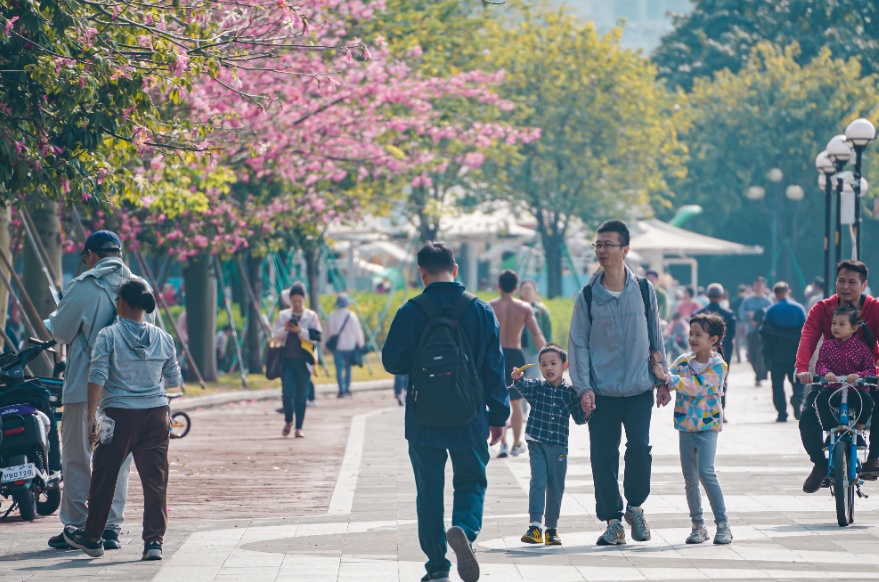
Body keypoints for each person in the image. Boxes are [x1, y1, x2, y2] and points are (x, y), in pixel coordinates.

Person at [382, 241, 509, 582]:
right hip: (470, 416)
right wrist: (498, 417)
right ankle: (465, 529)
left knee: (429, 491)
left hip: (423, 418)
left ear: (420, 273)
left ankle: (437, 565)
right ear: (455, 270)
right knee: (471, 481)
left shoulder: (411, 310)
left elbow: (391, 361)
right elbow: (494, 368)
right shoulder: (480, 310)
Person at [61, 278, 181, 560]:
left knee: (104, 475)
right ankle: (153, 543)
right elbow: (174, 380)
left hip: (118, 417)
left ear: (123, 303)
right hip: (156, 415)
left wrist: (91, 417)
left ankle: (92, 538)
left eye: (117, 300)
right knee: (155, 481)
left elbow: (97, 376)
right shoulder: (164, 338)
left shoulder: (108, 336)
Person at [47, 230, 151, 551]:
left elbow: (61, 333)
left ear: (90, 255)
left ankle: (76, 525)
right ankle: (109, 527)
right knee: (117, 460)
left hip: (82, 385)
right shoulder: (139, 287)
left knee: (78, 455)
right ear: (118, 253)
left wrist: (62, 311)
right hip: (124, 390)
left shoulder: (84, 285)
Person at [568, 220, 669, 547]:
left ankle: (635, 508)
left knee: (639, 448)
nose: (601, 250)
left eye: (607, 244)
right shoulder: (587, 296)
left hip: (639, 387)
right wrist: (583, 387)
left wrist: (662, 378)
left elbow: (656, 335)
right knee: (603, 456)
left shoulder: (643, 289)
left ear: (625, 250)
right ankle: (613, 521)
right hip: (601, 392)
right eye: (598, 244)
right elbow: (578, 343)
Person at [796, 260, 879, 491]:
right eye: (841, 280)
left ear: (863, 285)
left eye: (852, 282)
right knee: (807, 418)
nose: (845, 286)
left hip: (866, 379)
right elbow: (808, 337)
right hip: (830, 380)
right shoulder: (822, 308)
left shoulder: (875, 308)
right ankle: (820, 464)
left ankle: (874, 458)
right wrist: (802, 368)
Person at [653, 313, 732, 545]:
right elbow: (669, 377)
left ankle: (723, 524)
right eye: (691, 333)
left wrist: (667, 379)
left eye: (699, 334)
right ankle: (698, 526)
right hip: (685, 427)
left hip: (707, 428)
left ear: (714, 339)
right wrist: (662, 380)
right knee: (690, 478)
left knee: (706, 472)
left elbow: (695, 386)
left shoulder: (718, 365)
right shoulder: (683, 361)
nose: (693, 338)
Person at [511, 344, 589, 547]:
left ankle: (551, 529)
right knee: (538, 481)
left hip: (558, 446)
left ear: (565, 366)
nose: (548, 368)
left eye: (553, 363)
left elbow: (579, 419)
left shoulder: (570, 393)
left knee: (555, 486)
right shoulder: (537, 386)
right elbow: (523, 387)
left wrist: (587, 409)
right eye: (543, 364)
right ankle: (534, 526)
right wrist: (517, 378)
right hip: (536, 442)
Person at [489, 270, 546, 458]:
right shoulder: (524, 308)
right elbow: (536, 334)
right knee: (516, 403)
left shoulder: (489, 307)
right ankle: (515, 444)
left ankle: (502, 444)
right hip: (515, 356)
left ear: (498, 286)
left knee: (498, 400)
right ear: (516, 288)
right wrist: (549, 357)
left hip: (496, 356)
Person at [813, 305, 875, 433]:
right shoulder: (827, 346)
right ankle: (829, 431)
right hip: (833, 388)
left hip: (855, 389)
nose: (836, 327)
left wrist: (858, 375)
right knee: (821, 399)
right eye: (834, 323)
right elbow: (820, 365)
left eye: (841, 324)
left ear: (854, 328)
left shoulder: (862, 348)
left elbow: (870, 370)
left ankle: (858, 430)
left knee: (867, 401)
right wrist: (827, 373)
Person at [271, 282, 322, 438]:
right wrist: (285, 329)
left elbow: (317, 337)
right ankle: (288, 420)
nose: (297, 304)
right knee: (287, 393)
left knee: (301, 395)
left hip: (304, 361)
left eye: (300, 301)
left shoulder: (311, 316)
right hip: (287, 360)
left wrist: (301, 331)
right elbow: (275, 336)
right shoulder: (283, 315)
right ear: (290, 301)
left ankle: (298, 427)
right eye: (294, 302)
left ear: (304, 300)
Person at [760, 282, 807, 422]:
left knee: (777, 384)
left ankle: (782, 413)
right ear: (789, 292)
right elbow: (805, 329)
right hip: (795, 352)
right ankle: (797, 399)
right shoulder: (799, 308)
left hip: (776, 353)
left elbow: (764, 331)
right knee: (798, 380)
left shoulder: (771, 310)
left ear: (775, 294)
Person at [694, 284, 736, 412]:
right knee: (721, 381)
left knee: (699, 379)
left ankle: (701, 409)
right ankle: (719, 410)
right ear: (722, 296)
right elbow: (731, 335)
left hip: (701, 353)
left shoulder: (698, 314)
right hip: (722, 352)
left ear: (707, 296)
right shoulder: (728, 314)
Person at [326, 294, 365, 398]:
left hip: (337, 347)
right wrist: (360, 343)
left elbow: (328, 332)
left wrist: (324, 346)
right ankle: (347, 388)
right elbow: (358, 331)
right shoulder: (352, 316)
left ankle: (341, 390)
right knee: (348, 368)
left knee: (338, 368)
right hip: (350, 346)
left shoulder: (331, 316)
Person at [739, 276, 772, 386]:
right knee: (751, 355)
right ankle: (759, 373)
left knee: (761, 354)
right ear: (753, 285)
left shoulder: (767, 300)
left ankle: (759, 377)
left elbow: (771, 314)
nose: (758, 286)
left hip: (763, 332)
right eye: (756, 284)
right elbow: (741, 313)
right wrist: (749, 315)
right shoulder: (748, 300)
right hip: (751, 331)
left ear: (764, 286)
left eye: (760, 284)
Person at [519, 279, 552, 380]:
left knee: (533, 377)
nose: (527, 291)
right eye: (525, 289)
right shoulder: (515, 308)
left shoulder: (541, 310)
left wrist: (548, 349)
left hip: (534, 349)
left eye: (529, 288)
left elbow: (547, 331)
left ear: (534, 291)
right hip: (518, 349)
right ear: (520, 291)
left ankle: (528, 396)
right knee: (517, 377)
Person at [729, 284, 748, 364]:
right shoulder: (747, 301)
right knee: (746, 340)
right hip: (745, 322)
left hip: (737, 322)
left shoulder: (734, 301)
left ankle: (739, 358)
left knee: (737, 341)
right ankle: (747, 356)